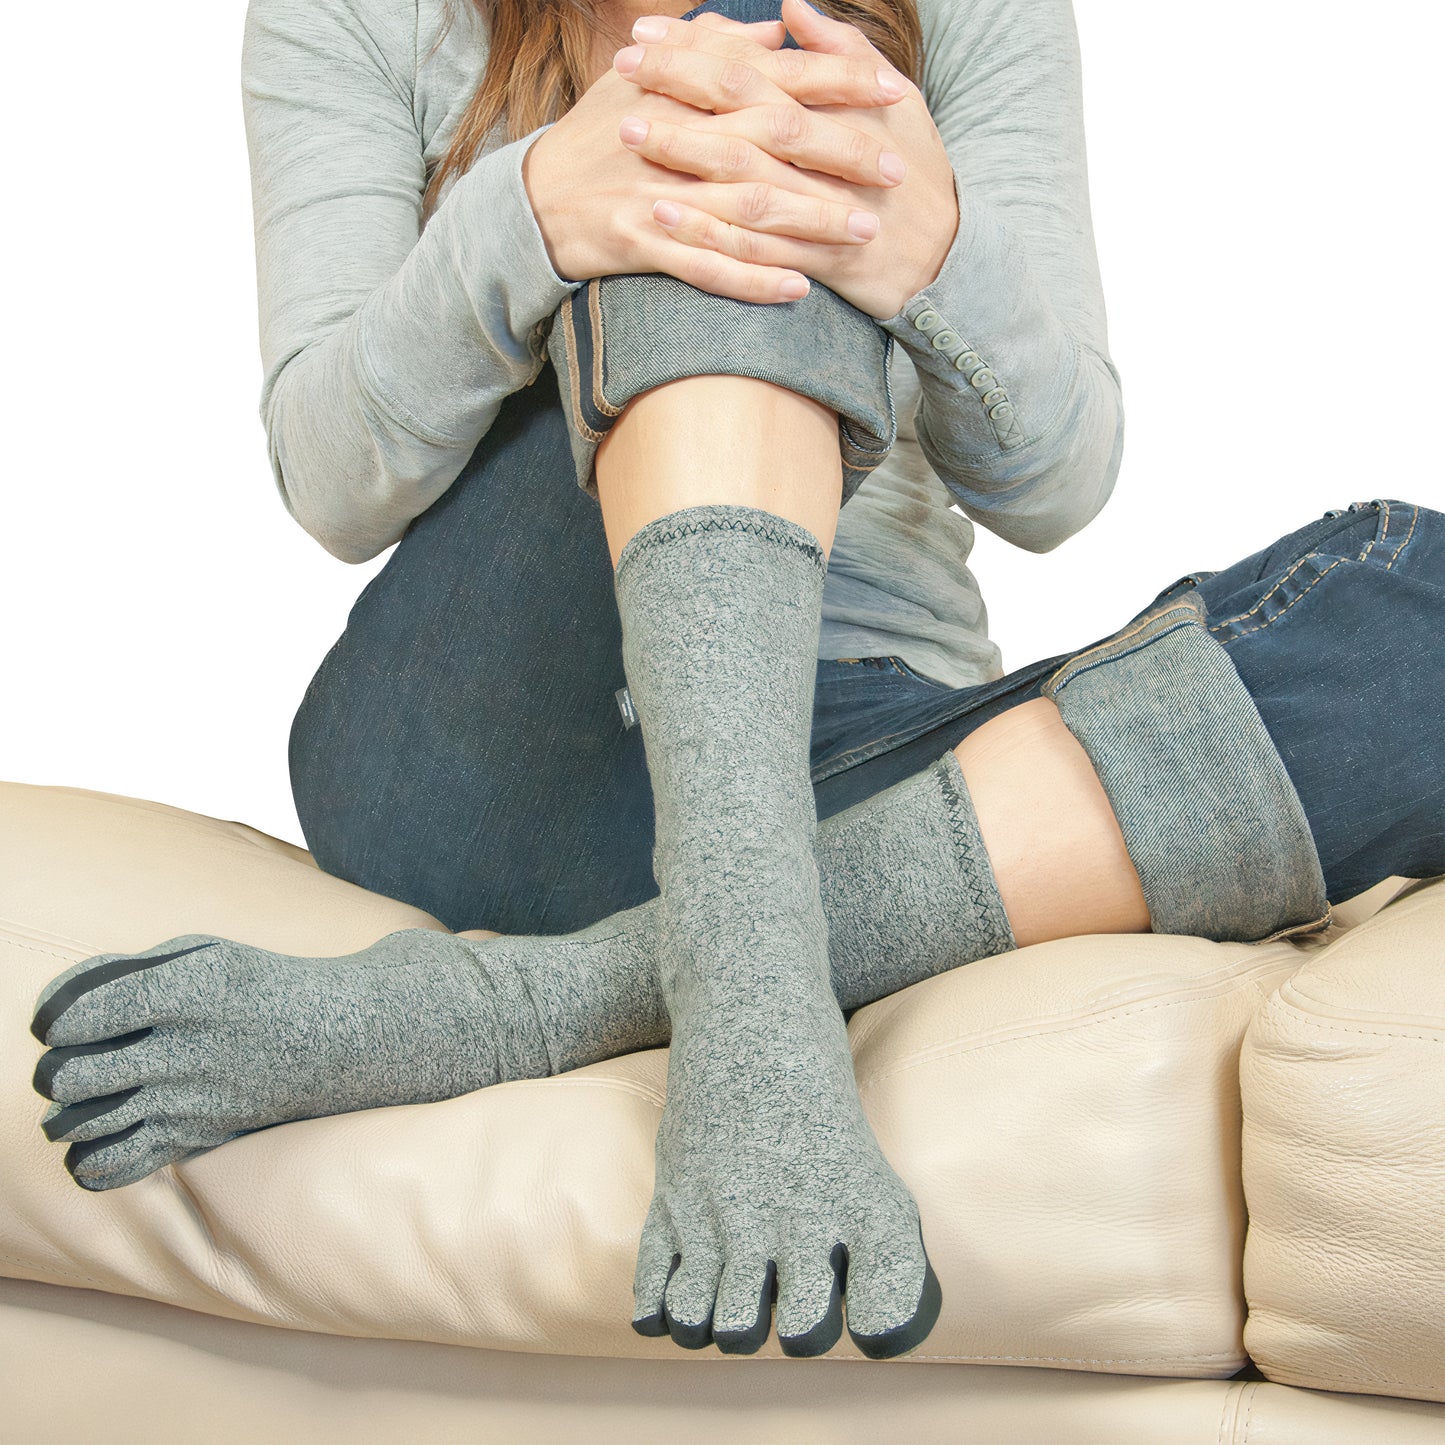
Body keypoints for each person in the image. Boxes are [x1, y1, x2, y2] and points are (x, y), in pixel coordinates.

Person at [27, 0, 1443, 1367]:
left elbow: (1057, 479)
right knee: (707, 124)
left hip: (865, 750)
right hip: (484, 741)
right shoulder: (353, 14)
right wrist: (535, 212)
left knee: (1420, 620)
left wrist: (926, 249)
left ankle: (528, 1004)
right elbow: (333, 478)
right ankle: (737, 989)